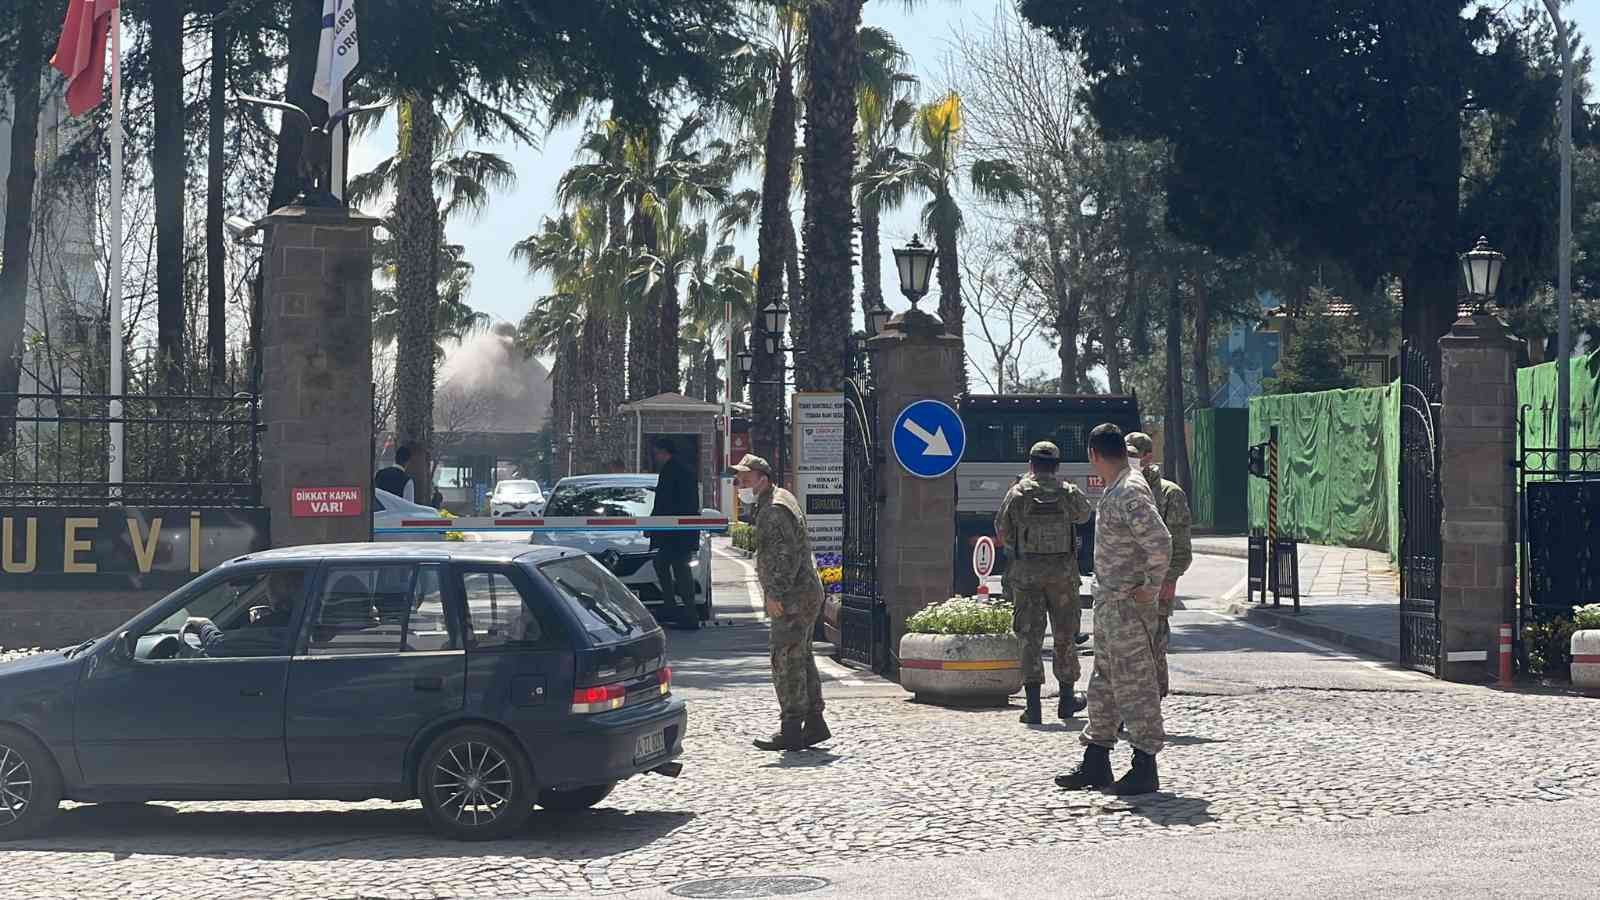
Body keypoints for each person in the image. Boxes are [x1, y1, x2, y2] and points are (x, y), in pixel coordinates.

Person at [1056, 423, 1171, 796]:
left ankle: (1144, 764)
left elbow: (1160, 542)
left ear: (1094, 454)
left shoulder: (1130, 490)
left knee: (1135, 683)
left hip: (1127, 607)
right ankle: (1097, 760)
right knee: (1104, 682)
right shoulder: (1117, 486)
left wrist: (1150, 588)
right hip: (1110, 603)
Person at [733, 454, 829, 752]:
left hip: (792, 595)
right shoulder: (780, 497)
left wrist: (775, 593)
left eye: (746, 480)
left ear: (763, 478)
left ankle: (791, 728)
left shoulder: (773, 509)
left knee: (784, 659)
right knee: (801, 656)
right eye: (739, 480)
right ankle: (813, 724)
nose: (741, 485)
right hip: (804, 592)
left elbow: (784, 557)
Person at [995, 441, 1092, 724]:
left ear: (1031, 464)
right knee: (1065, 636)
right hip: (1063, 576)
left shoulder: (1018, 492)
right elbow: (1085, 515)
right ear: (1057, 466)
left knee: (1030, 637)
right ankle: (1066, 701)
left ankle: (1033, 707)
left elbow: (1003, 529)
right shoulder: (1068, 491)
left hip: (1027, 576)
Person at [1124, 432, 1194, 698]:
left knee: (1153, 647)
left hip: (1155, 583)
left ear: (1148, 457)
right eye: (1126, 455)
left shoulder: (1168, 493)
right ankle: (1124, 710)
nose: (1129, 460)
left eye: (1134, 455)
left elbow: (1181, 546)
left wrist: (1170, 579)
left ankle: (1152, 705)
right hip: (1123, 582)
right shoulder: (1119, 487)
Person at [650, 437, 701, 629]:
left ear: (664, 452)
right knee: (665, 564)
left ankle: (686, 613)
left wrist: (653, 526)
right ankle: (677, 608)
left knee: (679, 569)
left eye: (656, 453)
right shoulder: (684, 469)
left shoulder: (671, 471)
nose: (655, 458)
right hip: (681, 532)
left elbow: (663, 502)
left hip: (674, 533)